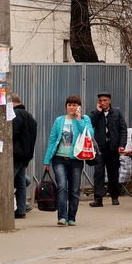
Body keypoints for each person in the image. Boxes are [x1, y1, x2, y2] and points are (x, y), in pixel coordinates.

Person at [42, 95, 93, 227]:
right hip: (59, 159)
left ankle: (72, 217)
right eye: (69, 105)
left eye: (74, 105)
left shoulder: (84, 118)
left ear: (79, 106)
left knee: (74, 190)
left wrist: (79, 119)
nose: (72, 107)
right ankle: (62, 217)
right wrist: (46, 161)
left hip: (76, 160)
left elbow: (89, 134)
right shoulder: (59, 120)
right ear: (66, 106)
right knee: (62, 187)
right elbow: (52, 140)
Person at [88, 91, 127, 207]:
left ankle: (114, 196)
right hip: (100, 149)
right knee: (98, 173)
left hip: (113, 148)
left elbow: (123, 129)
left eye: (105, 100)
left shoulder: (117, 113)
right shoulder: (96, 113)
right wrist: (97, 112)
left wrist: (122, 144)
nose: (103, 103)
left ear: (109, 101)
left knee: (113, 173)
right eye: (100, 101)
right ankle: (98, 198)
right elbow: (89, 123)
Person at [10, 94, 38, 219]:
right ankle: (21, 210)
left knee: (7, 180)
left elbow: (12, 133)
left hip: (15, 154)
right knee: (20, 182)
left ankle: (3, 209)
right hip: (26, 155)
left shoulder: (15, 115)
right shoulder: (30, 117)